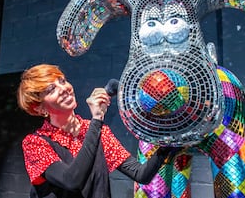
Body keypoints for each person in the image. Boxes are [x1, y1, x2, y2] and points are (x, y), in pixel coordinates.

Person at [17, 63, 172, 198]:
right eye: (51, 89)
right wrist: (97, 118)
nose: (64, 89)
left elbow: (141, 174)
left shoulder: (99, 131)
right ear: (40, 108)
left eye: (62, 81)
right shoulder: (35, 143)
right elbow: (71, 180)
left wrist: (169, 140)